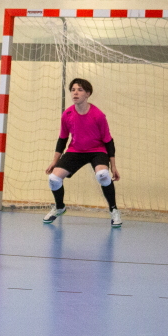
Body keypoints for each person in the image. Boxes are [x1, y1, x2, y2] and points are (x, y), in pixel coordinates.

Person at [44, 78, 121, 227]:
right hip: (76, 151)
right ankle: (59, 207)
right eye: (73, 90)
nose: (75, 93)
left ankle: (114, 210)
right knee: (53, 179)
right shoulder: (67, 114)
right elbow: (62, 139)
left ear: (88, 94)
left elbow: (108, 141)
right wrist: (54, 162)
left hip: (97, 150)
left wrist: (113, 166)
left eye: (80, 90)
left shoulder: (98, 115)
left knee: (103, 175)